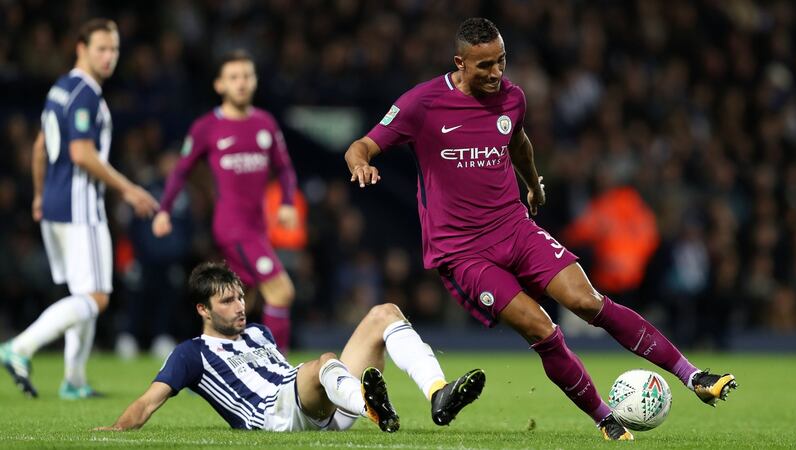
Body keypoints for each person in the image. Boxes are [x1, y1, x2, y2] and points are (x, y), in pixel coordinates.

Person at [343, 17, 737, 441]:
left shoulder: (511, 98)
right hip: (464, 252)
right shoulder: (423, 103)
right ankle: (606, 418)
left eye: (502, 62)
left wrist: (532, 183)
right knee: (542, 328)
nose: (496, 74)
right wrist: (362, 164)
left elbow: (518, 143)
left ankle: (692, 374)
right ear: (460, 63)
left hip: (515, 228)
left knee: (588, 302)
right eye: (485, 66)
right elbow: (360, 145)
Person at [94, 261, 485, 432]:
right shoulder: (190, 353)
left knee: (384, 313)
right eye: (227, 301)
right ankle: (370, 405)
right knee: (323, 362)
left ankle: (437, 391)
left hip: (320, 406)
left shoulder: (260, 332)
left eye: (240, 297)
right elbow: (149, 402)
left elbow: (286, 375)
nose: (239, 306)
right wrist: (114, 428)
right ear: (203, 309)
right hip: (275, 416)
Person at [0, 19, 159, 399]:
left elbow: (40, 146)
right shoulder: (86, 94)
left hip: (55, 205)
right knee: (96, 297)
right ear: (81, 48)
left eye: (114, 49)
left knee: (84, 295)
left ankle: (74, 379)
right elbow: (81, 154)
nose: (109, 57)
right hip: (80, 206)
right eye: (101, 48)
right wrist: (130, 189)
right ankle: (19, 347)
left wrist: (39, 195)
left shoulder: (60, 88)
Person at [153, 50, 297, 352]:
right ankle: (280, 370)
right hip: (232, 226)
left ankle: (212, 361)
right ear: (220, 85)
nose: (241, 83)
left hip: (258, 228)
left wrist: (286, 202)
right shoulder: (207, 127)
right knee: (281, 292)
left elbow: (284, 168)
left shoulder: (265, 123)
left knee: (237, 301)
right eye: (234, 77)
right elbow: (181, 170)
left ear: (255, 80)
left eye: (246, 76)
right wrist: (163, 210)